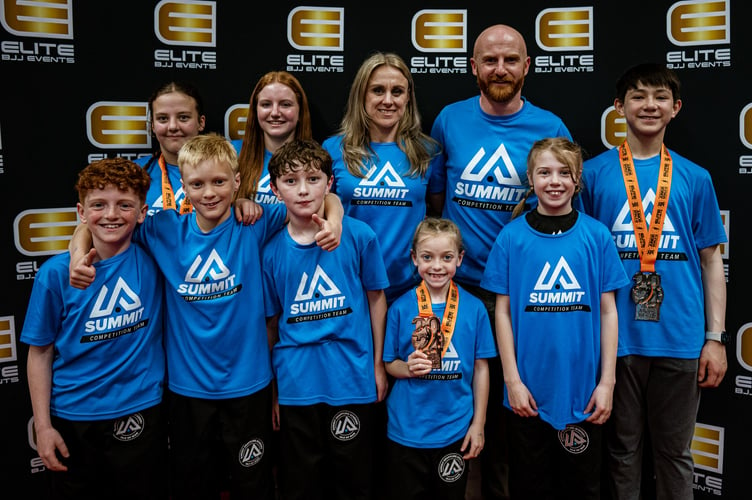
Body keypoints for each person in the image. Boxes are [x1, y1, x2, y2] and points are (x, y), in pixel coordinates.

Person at [67, 134, 343, 499]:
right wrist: (75, 254)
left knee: (253, 484)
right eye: (197, 184)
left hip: (249, 386)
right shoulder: (163, 230)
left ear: (237, 182)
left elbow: (325, 199)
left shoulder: (255, 222)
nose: (209, 193)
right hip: (187, 391)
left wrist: (335, 221)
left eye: (219, 182)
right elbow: (99, 218)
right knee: (194, 485)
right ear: (183, 186)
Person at [427, 24, 572, 499]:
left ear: (527, 66)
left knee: (516, 412)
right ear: (473, 67)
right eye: (489, 60)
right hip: (459, 291)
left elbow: (566, 216)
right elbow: (434, 199)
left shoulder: (550, 127)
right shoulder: (449, 120)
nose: (500, 69)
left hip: (524, 294)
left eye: (511, 59)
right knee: (461, 408)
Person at [578, 63, 728, 499]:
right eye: (638, 96)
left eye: (660, 96)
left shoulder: (695, 178)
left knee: (675, 453)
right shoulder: (592, 175)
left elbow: (711, 260)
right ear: (618, 107)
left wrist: (714, 337)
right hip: (617, 339)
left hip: (680, 336)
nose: (649, 105)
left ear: (675, 108)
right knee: (622, 452)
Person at [480, 138, 629, 499]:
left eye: (565, 172)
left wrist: (606, 383)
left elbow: (609, 311)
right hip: (527, 393)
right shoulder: (511, 237)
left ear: (578, 180)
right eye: (544, 172)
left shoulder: (596, 236)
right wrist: (512, 380)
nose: (555, 181)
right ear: (530, 180)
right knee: (530, 485)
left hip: (583, 394)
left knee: (582, 487)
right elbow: (502, 311)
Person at [21, 158, 167, 499]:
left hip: (142, 408)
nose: (112, 214)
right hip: (74, 413)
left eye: (125, 205)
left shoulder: (156, 256)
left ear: (142, 212)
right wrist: (42, 427)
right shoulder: (56, 274)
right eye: (98, 205)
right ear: (81, 213)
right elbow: (39, 353)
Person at [262, 139, 389, 500]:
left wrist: (378, 365)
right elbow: (272, 324)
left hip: (351, 375)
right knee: (301, 483)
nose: (303, 190)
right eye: (290, 181)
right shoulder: (270, 252)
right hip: (296, 383)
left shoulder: (360, 236)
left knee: (353, 480)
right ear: (274, 189)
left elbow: (377, 300)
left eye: (313, 179)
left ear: (330, 183)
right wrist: (274, 391)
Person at [383, 217, 497, 499]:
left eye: (446, 257)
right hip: (406, 430)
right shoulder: (399, 307)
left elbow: (482, 369)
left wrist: (478, 425)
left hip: (454, 429)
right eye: (427, 257)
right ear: (414, 259)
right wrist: (407, 368)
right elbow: (389, 364)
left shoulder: (475, 309)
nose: (436, 266)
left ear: (460, 259)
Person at [322, 52, 440, 305]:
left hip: (410, 288)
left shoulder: (427, 152)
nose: (388, 100)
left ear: (408, 97)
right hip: (349, 283)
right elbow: (322, 207)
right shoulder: (334, 149)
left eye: (397, 91)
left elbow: (438, 211)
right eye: (377, 90)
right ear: (361, 95)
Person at [233, 70, 314, 206]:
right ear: (255, 110)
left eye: (285, 104)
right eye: (266, 104)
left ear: (300, 111)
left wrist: (334, 215)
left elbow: (329, 198)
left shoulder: (316, 158)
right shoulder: (232, 153)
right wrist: (236, 203)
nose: (275, 112)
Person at [137, 81, 206, 216]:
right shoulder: (132, 173)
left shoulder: (224, 171)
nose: (173, 126)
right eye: (163, 118)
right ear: (153, 125)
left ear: (201, 122)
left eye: (183, 117)